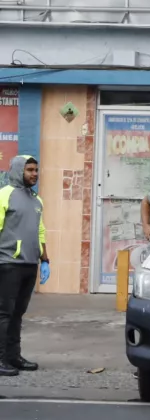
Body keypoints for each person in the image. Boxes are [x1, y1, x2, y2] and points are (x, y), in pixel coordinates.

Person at [0, 156, 50, 376]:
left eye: (36, 170)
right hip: (8, 263)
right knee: (4, 314)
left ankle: (14, 356)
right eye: (30, 170)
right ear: (19, 170)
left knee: (18, 313)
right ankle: (1, 359)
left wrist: (45, 259)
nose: (34, 174)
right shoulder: (5, 195)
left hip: (30, 264)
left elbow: (40, 230)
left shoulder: (36, 199)